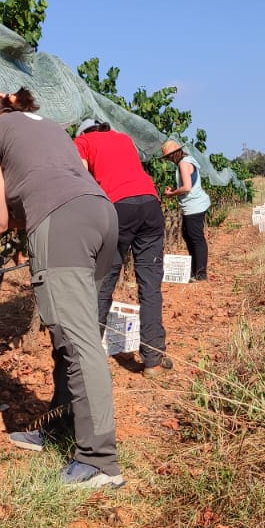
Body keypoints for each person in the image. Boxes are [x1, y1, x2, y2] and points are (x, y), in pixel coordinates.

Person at [0, 88, 125, 489]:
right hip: (99, 213)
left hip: (64, 225)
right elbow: (27, 206)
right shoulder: (49, 128)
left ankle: (99, 461)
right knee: (77, 335)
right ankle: (62, 429)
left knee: (76, 342)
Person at [74, 117, 171, 376]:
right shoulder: (124, 139)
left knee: (104, 282)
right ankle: (153, 359)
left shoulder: (81, 142)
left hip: (119, 207)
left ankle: (89, 359)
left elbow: (82, 180)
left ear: (83, 131)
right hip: (151, 205)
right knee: (150, 285)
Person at [161, 139, 210, 281]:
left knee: (195, 238)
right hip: (194, 205)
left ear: (175, 154)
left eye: (169, 156)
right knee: (188, 235)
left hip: (194, 206)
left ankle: (200, 274)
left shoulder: (183, 163)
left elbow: (187, 187)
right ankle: (195, 271)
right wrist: (176, 190)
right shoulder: (189, 160)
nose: (169, 159)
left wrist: (171, 194)